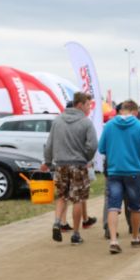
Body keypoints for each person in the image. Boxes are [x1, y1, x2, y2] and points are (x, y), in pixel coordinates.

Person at [41, 92, 98, 245]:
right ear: (79, 105)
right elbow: (92, 145)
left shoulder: (58, 120)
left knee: (62, 196)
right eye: (88, 105)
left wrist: (47, 161)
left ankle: (57, 222)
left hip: (60, 165)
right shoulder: (86, 122)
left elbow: (49, 144)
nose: (89, 108)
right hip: (78, 165)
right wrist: (86, 157)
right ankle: (76, 234)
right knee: (77, 199)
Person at [98, 100, 140, 254]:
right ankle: (135, 238)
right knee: (135, 207)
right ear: (134, 111)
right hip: (133, 171)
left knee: (113, 206)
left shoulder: (108, 126)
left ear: (121, 110)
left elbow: (101, 148)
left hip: (114, 171)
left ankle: (114, 240)